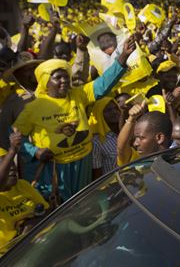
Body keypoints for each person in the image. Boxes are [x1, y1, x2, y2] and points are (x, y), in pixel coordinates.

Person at [12, 37, 136, 201]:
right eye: (58, 78)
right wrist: (35, 151)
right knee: (60, 207)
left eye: (66, 77)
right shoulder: (33, 108)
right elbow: (15, 136)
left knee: (81, 204)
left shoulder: (79, 94)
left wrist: (122, 58)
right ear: (45, 81)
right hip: (55, 168)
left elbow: (103, 84)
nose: (64, 81)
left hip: (82, 163)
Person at [0, 132, 49, 252]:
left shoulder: (23, 185)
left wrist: (31, 224)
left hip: (38, 246)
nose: (12, 167)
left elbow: (46, 212)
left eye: (12, 162)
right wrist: (12, 151)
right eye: (5, 164)